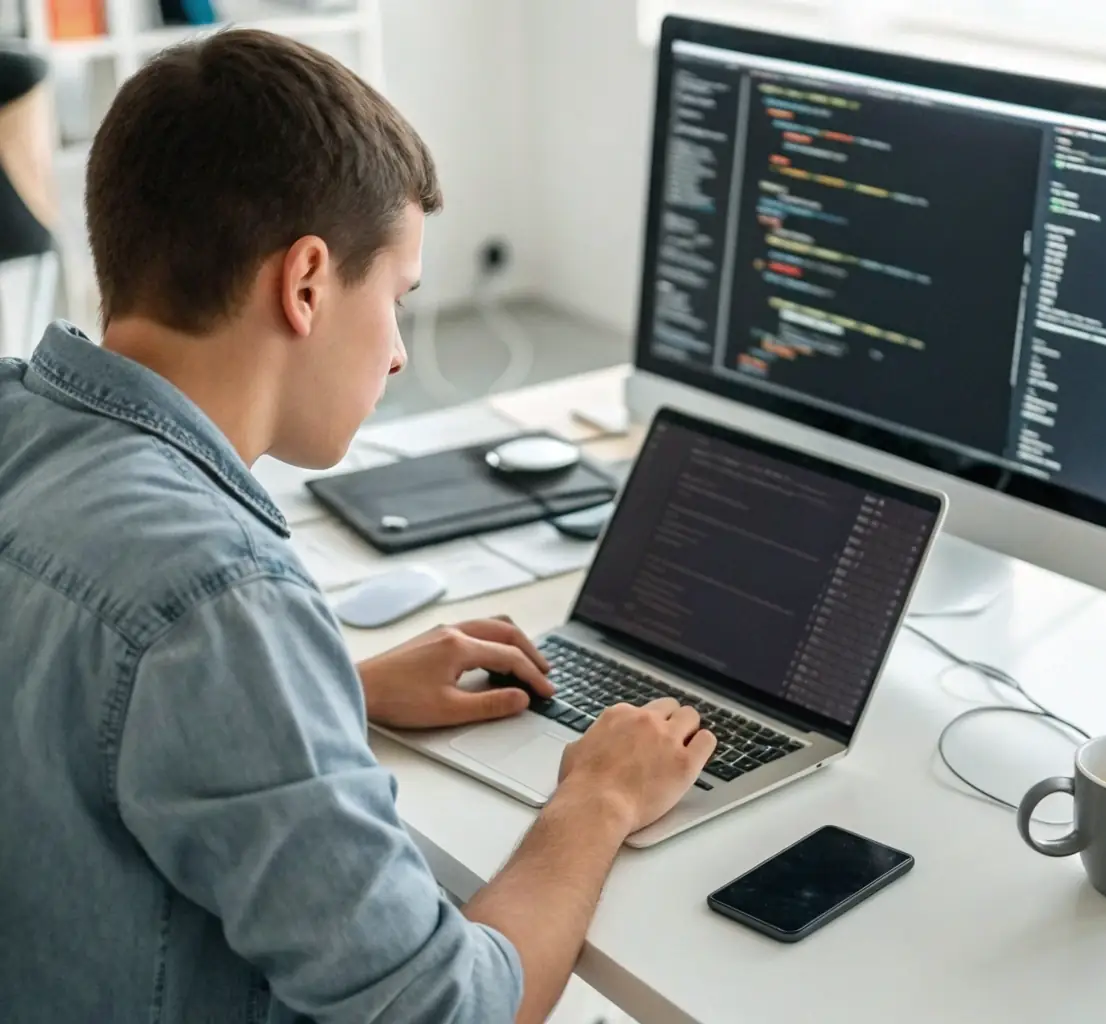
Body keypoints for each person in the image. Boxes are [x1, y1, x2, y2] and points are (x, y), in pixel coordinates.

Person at [0, 29, 715, 1024]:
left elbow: (67, 692)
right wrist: (597, 798)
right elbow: (450, 1011)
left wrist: (330, 688)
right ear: (305, 284)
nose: (396, 355)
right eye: (398, 297)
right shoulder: (219, 598)